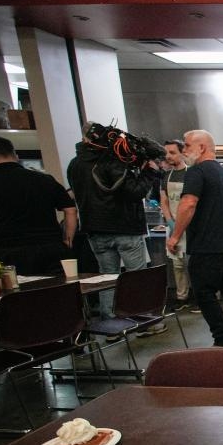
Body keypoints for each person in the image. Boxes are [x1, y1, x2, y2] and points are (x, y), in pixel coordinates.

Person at [168, 130, 223, 347]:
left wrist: (175, 235)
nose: (184, 151)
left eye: (186, 146)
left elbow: (188, 203)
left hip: (207, 246)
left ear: (201, 147)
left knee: (204, 293)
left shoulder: (196, 172)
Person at [67, 122, 154, 320]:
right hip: (124, 227)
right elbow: (134, 192)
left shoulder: (75, 164)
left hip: (95, 230)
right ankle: (144, 320)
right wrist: (149, 172)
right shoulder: (113, 161)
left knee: (107, 278)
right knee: (136, 277)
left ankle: (110, 323)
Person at [0, 136, 77, 275]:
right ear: (15, 154)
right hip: (52, 248)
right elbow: (70, 209)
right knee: (61, 292)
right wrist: (67, 240)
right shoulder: (44, 179)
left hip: (9, 253)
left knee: (24, 295)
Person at [158, 139, 196, 311]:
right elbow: (164, 201)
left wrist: (183, 222)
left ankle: (198, 297)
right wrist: (170, 222)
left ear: (182, 153)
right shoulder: (166, 177)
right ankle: (182, 297)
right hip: (173, 225)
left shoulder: (192, 174)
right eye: (167, 153)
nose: (168, 156)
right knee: (177, 264)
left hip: (191, 226)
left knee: (193, 263)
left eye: (172, 152)